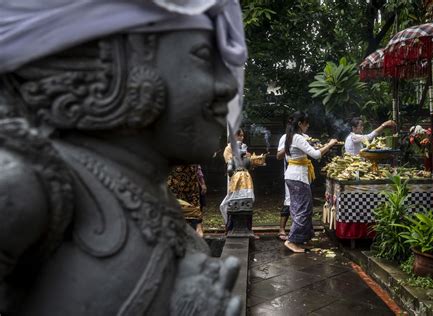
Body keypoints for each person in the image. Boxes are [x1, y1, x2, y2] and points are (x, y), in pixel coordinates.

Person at [0, 1, 247, 315]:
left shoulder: (148, 191)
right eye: (202, 57)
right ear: (121, 65)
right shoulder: (25, 184)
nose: (227, 86)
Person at [283, 112, 338, 253]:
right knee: (304, 209)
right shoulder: (297, 137)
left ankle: (301, 239)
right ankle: (292, 241)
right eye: (306, 123)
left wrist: (318, 144)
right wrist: (330, 144)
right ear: (300, 124)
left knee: (298, 209)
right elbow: (316, 154)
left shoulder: (292, 136)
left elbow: (309, 144)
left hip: (293, 175)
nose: (308, 126)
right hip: (297, 177)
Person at [276, 117, 309, 241]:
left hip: (303, 172)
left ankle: (300, 232)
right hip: (291, 172)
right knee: (289, 200)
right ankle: (282, 229)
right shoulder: (285, 138)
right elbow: (278, 156)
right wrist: (289, 146)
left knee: (301, 203)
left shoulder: (304, 137)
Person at [220, 129, 254, 233]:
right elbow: (231, 165)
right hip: (234, 179)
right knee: (231, 202)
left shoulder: (243, 147)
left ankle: (247, 228)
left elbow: (247, 162)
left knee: (247, 201)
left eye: (243, 136)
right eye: (240, 136)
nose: (242, 138)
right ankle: (229, 227)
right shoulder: (228, 148)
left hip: (244, 178)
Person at [167, 165, 205, 237]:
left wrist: (199, 223)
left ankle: (197, 226)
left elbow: (195, 195)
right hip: (173, 193)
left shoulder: (192, 168)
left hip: (188, 187)